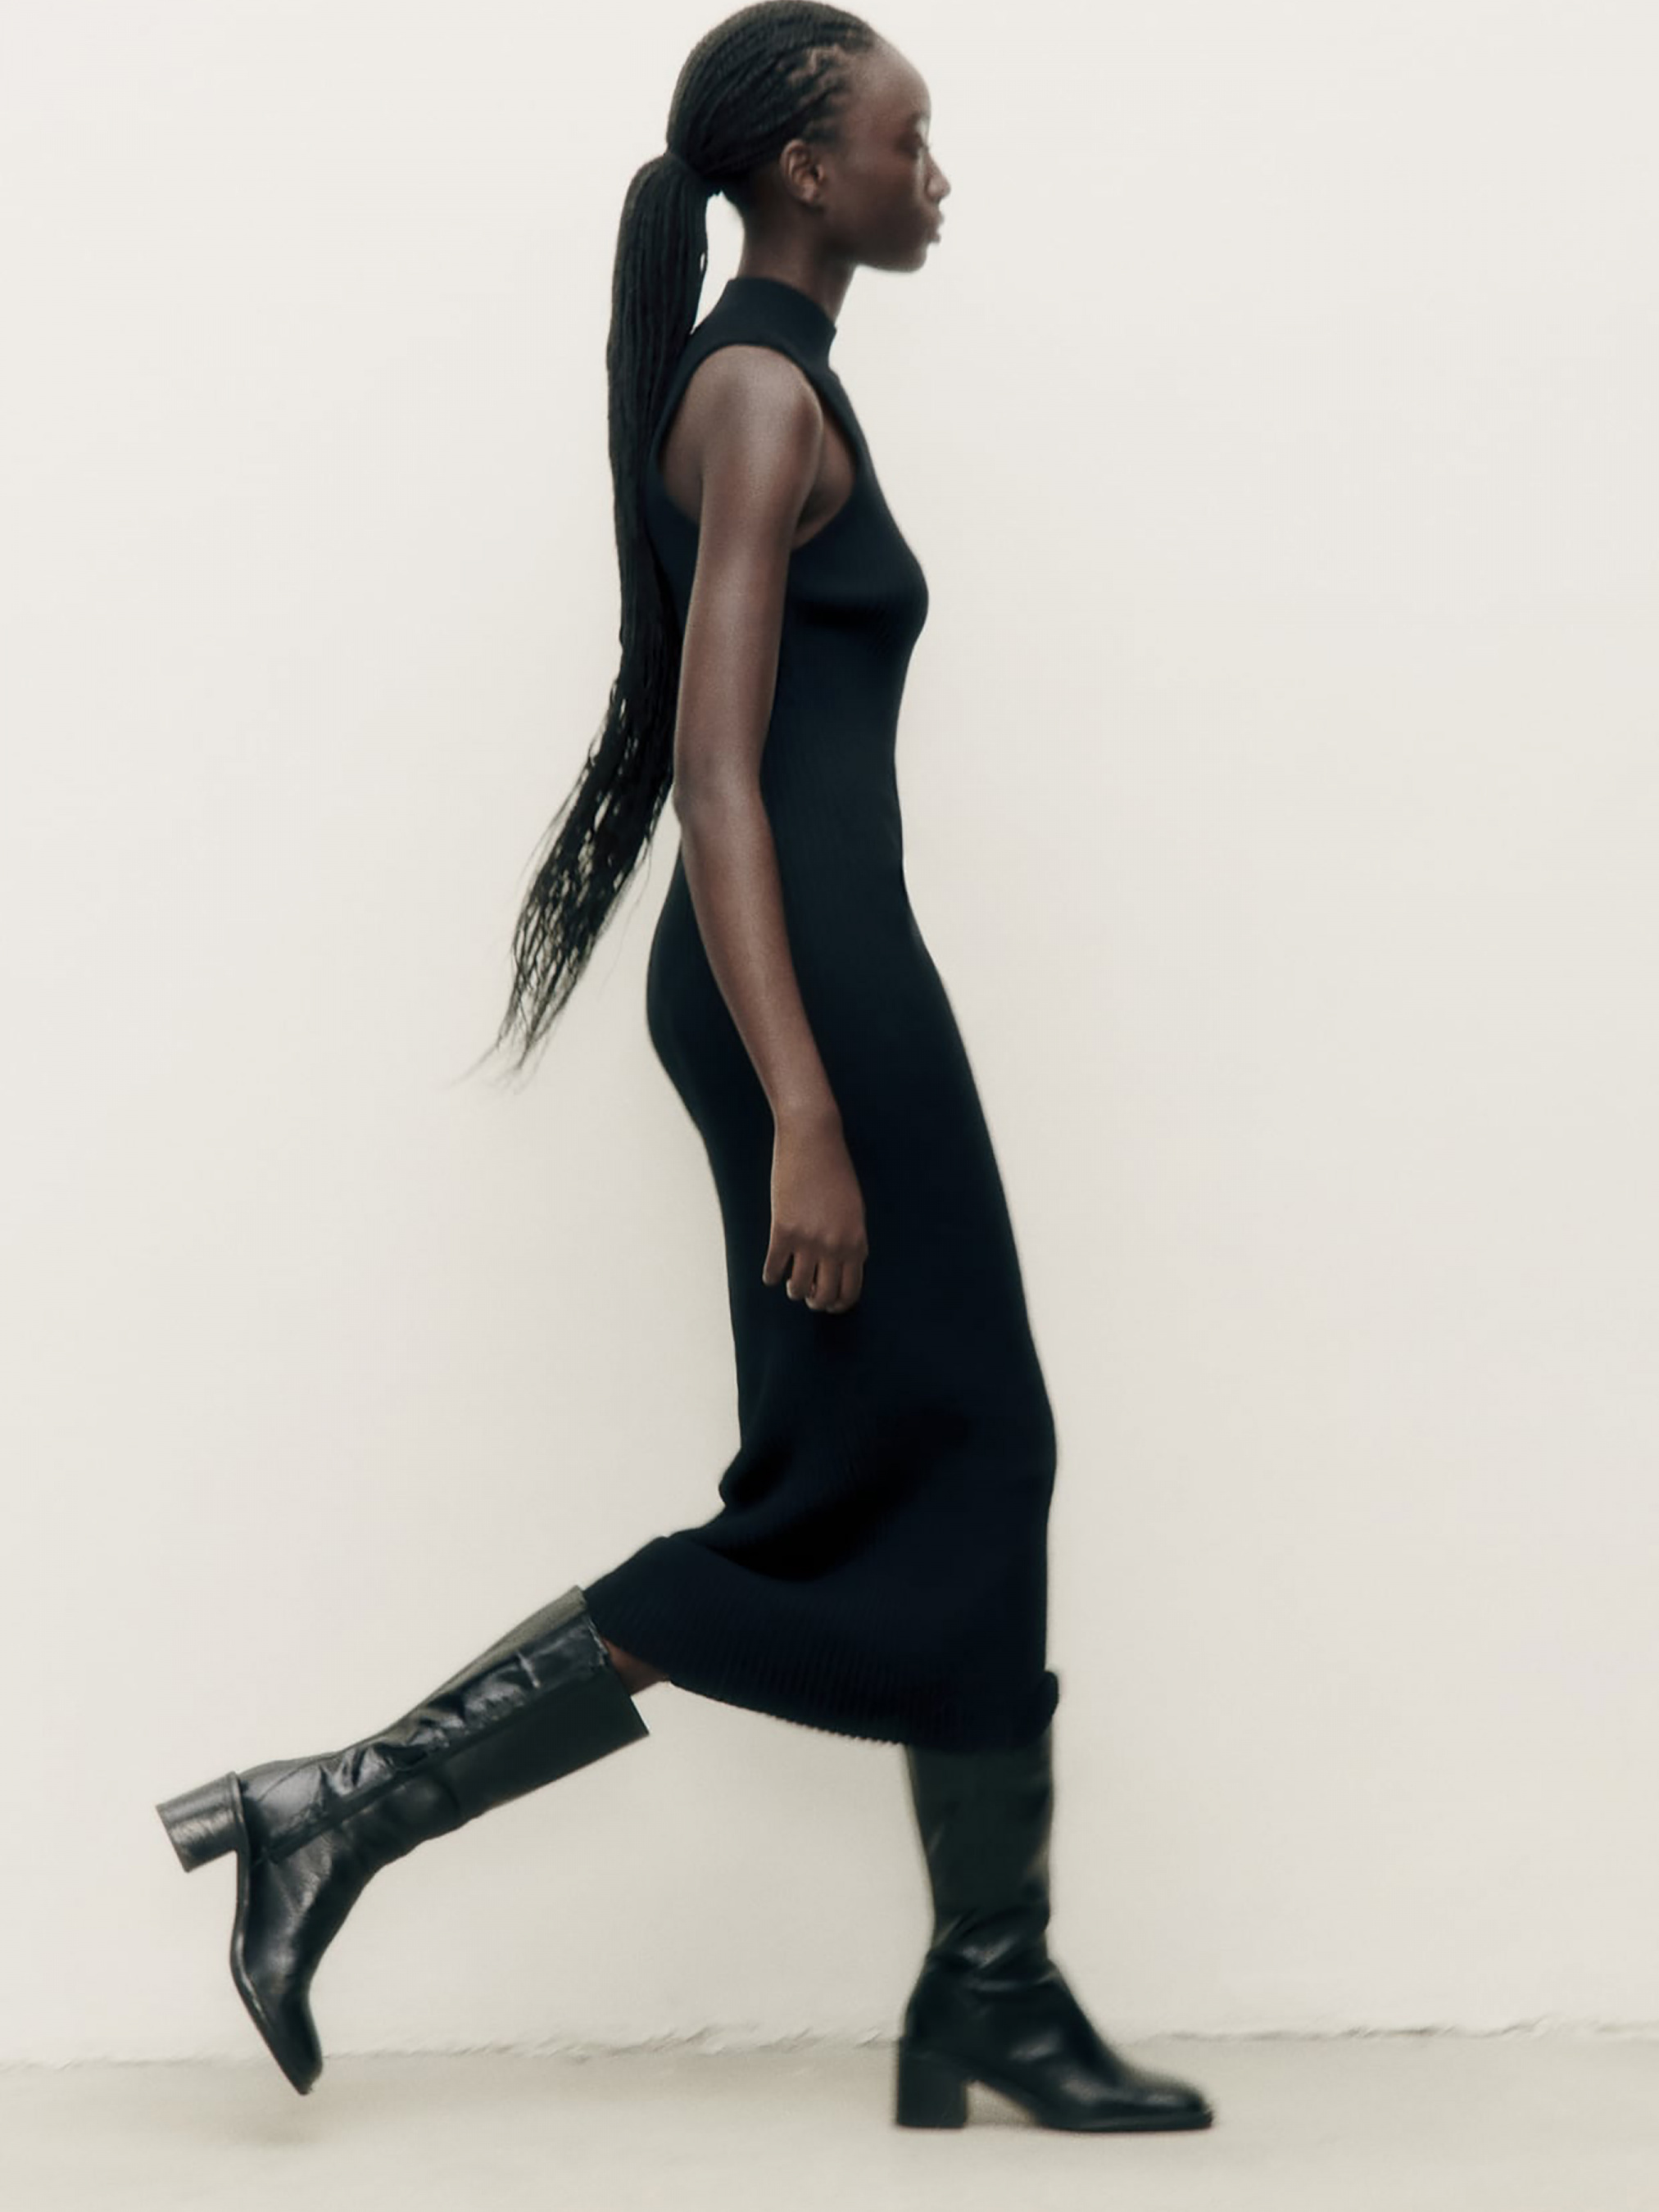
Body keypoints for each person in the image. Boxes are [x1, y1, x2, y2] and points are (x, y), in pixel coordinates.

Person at [156, 0, 1214, 2137]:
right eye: (911, 140)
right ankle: (343, 1807)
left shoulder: (777, 378)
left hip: (828, 972)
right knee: (884, 1475)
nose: (938, 175)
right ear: (808, 169)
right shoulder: (753, 390)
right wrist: (804, 1105)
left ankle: (980, 1986)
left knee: (957, 1453)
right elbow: (719, 779)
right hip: (796, 987)